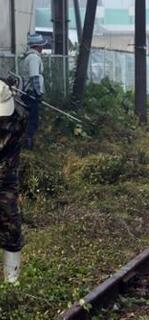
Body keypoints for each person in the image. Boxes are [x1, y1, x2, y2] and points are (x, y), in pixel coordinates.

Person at [0, 79, 29, 283]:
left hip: (5, 172)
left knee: (11, 224)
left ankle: (12, 283)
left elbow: (10, 156)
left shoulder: (19, 117)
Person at [20, 33, 47, 149]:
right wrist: (37, 93)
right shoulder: (34, 58)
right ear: (37, 46)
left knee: (28, 118)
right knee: (33, 119)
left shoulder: (29, 57)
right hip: (31, 93)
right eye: (41, 46)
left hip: (28, 93)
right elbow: (34, 77)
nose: (42, 48)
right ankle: (28, 143)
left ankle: (25, 141)